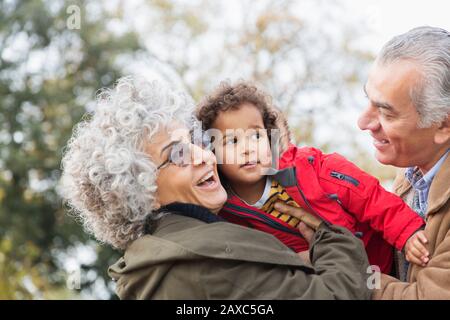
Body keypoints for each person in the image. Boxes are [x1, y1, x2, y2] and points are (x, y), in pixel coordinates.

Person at [60, 76, 372, 299]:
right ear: (142, 193)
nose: (204, 156)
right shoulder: (203, 262)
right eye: (177, 154)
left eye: (195, 143)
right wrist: (330, 238)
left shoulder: (165, 258)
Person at [196, 81, 425, 273]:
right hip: (327, 281)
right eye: (232, 141)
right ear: (212, 151)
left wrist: (407, 232)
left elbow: (370, 197)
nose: (247, 149)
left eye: (256, 135)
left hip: (381, 264)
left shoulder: (311, 169)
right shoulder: (224, 208)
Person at [358, 26, 450, 299]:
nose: (363, 122)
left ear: (443, 125)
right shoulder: (410, 180)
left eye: (386, 112)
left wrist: (339, 272)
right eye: (368, 101)